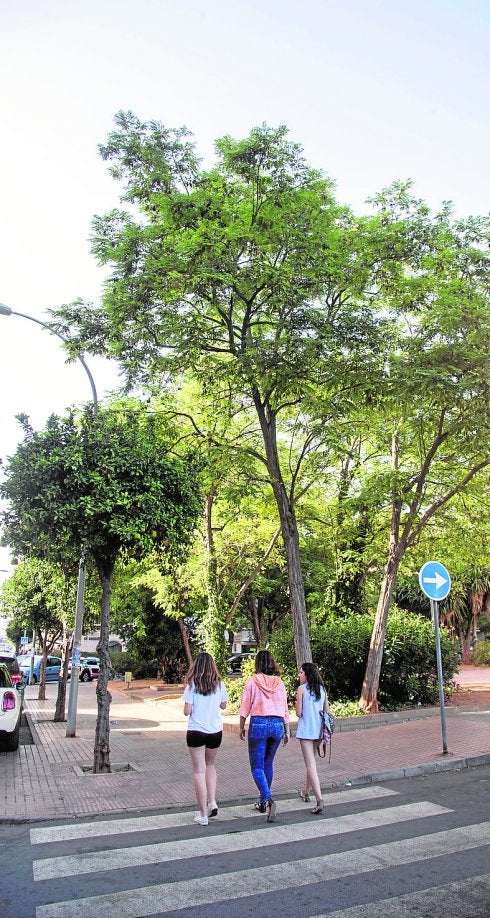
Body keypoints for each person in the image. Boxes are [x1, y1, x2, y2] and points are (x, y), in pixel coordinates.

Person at [239, 649, 290, 823]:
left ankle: (268, 799)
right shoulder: (280, 683)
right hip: (277, 726)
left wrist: (241, 727)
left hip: (259, 724)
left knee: (256, 766)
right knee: (268, 764)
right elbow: (285, 708)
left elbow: (245, 706)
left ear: (257, 663)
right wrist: (287, 730)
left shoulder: (252, 681)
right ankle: (262, 802)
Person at [183, 652, 228, 826]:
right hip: (215, 731)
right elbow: (223, 705)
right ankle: (212, 801)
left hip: (196, 731)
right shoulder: (220, 685)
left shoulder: (191, 686)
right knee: (210, 765)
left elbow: (187, 711)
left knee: (198, 770)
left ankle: (202, 814)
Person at [295, 661, 329, 814]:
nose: (299, 675)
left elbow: (298, 712)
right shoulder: (322, 690)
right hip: (318, 731)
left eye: (301, 672)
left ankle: (319, 799)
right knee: (311, 762)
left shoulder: (301, 689)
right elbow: (326, 712)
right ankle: (305, 792)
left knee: (310, 764)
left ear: (307, 675)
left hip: (306, 731)